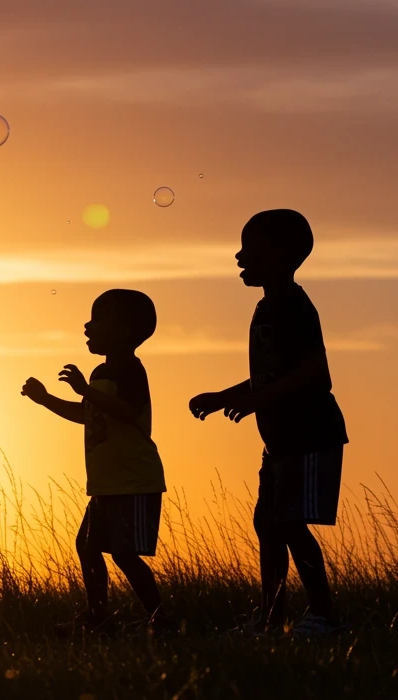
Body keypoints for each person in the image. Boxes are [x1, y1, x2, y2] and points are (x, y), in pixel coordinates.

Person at [189, 210, 348, 636]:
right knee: (269, 523)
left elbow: (314, 372)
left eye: (250, 247)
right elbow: (272, 373)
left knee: (290, 522)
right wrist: (227, 396)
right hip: (280, 441)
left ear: (280, 254)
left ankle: (323, 615)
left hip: (310, 434)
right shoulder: (268, 307)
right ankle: (271, 615)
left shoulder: (294, 306)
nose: (240, 256)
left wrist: (256, 400)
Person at [22, 289, 175, 637]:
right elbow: (89, 414)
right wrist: (46, 400)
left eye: (98, 319)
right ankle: (98, 618)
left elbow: (127, 410)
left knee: (123, 553)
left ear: (123, 329)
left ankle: (161, 620)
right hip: (107, 483)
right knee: (87, 546)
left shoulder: (130, 370)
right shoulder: (99, 373)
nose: (88, 325)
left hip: (134, 479)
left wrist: (85, 391)